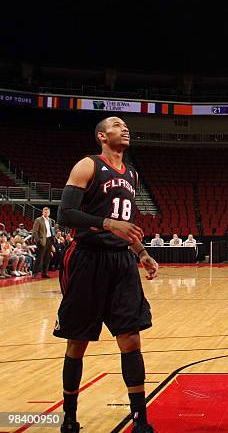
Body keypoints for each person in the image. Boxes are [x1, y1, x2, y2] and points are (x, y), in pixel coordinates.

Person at [54, 116, 158, 433]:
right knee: (78, 341)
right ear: (102, 136)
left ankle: (140, 420)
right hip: (86, 258)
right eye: (116, 124)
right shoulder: (88, 165)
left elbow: (126, 227)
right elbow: (65, 214)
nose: (124, 128)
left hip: (121, 262)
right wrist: (108, 223)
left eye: (125, 125)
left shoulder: (132, 175)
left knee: (131, 340)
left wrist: (142, 252)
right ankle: (69, 417)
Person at [32, 207, 55, 278]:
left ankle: (44, 273)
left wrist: (52, 240)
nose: (46, 213)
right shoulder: (38, 220)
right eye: (45, 212)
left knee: (47, 258)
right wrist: (38, 240)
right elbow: (35, 231)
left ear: (49, 213)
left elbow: (51, 230)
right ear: (42, 212)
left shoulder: (51, 220)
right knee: (39, 258)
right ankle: (34, 273)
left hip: (49, 240)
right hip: (42, 241)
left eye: (48, 212)